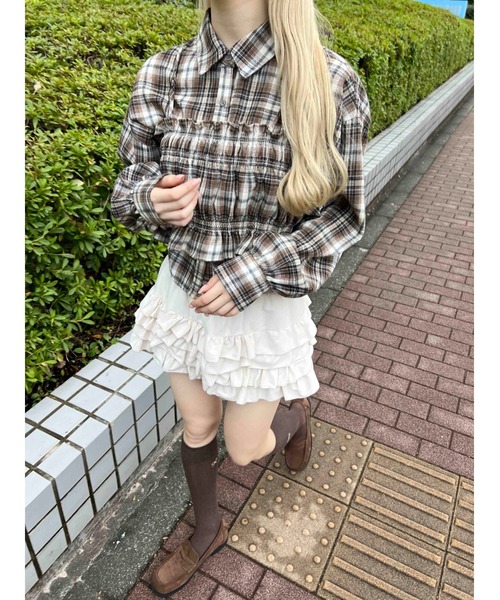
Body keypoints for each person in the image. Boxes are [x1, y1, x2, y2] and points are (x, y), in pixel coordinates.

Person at [110, 0, 370, 595]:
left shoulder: (330, 80)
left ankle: (294, 417)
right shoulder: (163, 72)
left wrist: (249, 273)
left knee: (245, 447)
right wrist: (151, 198)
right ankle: (207, 530)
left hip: (265, 301)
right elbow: (127, 184)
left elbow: (344, 216)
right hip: (185, 290)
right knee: (197, 424)